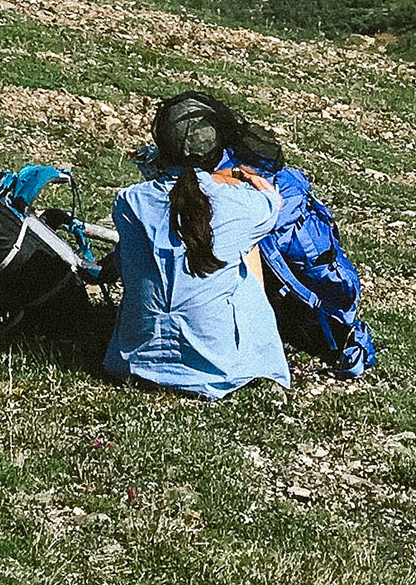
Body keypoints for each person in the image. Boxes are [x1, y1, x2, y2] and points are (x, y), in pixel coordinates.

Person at [103, 90, 290, 400]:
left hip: (132, 363)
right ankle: (261, 359)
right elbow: (272, 203)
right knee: (246, 251)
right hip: (216, 369)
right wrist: (247, 179)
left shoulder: (129, 202)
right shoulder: (242, 205)